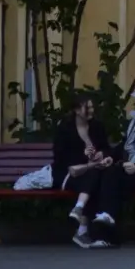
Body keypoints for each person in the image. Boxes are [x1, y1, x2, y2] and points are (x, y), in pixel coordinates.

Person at [67, 80, 135, 249]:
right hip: (134, 171)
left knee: (113, 178)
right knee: (105, 173)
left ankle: (106, 230)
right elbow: (124, 145)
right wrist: (110, 157)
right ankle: (104, 228)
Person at [52, 93, 113, 249]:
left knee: (96, 177)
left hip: (90, 171)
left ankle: (79, 211)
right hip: (67, 173)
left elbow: (106, 147)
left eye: (92, 107)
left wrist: (102, 155)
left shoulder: (97, 126)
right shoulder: (65, 128)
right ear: (77, 110)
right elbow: (60, 156)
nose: (91, 111)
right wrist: (83, 157)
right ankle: (83, 230)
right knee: (94, 178)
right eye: (88, 107)